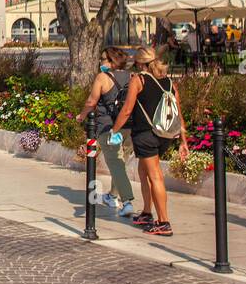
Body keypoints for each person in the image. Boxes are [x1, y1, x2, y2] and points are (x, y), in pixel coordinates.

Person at [110, 47, 189, 237]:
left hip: (146, 134)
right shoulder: (170, 82)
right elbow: (178, 114)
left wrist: (113, 131)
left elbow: (127, 110)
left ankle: (163, 222)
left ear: (139, 63)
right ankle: (147, 212)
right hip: (164, 135)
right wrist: (183, 141)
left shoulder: (139, 80)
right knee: (143, 171)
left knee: (155, 176)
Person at [75, 47, 136, 217]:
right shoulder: (132, 77)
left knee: (116, 164)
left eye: (102, 59)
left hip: (107, 127)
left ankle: (127, 202)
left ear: (111, 61)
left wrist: (82, 115)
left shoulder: (103, 77)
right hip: (129, 126)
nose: (100, 62)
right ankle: (112, 196)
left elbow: (91, 101)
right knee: (120, 163)